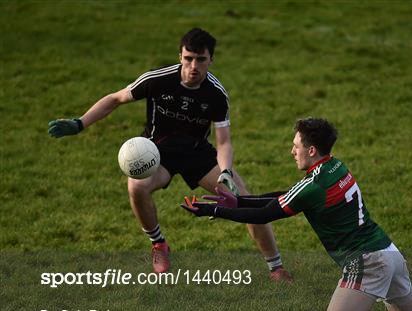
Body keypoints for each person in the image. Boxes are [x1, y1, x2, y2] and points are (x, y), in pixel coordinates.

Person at [182, 117, 412, 311]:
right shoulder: (335, 166)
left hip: (367, 261)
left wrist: (215, 210)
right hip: (388, 253)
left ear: (311, 151)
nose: (291, 150)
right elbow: (285, 196)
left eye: (295, 146)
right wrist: (238, 199)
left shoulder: (314, 184)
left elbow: (270, 212)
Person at [48, 28, 292, 281]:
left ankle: (276, 267)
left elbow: (224, 142)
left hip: (197, 154)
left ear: (211, 60)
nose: (193, 66)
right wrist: (80, 123)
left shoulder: (216, 94)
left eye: (200, 59)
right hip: (157, 152)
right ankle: (159, 244)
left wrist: (226, 172)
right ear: (180, 57)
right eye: (188, 58)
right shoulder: (158, 80)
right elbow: (115, 98)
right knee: (136, 187)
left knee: (245, 201)